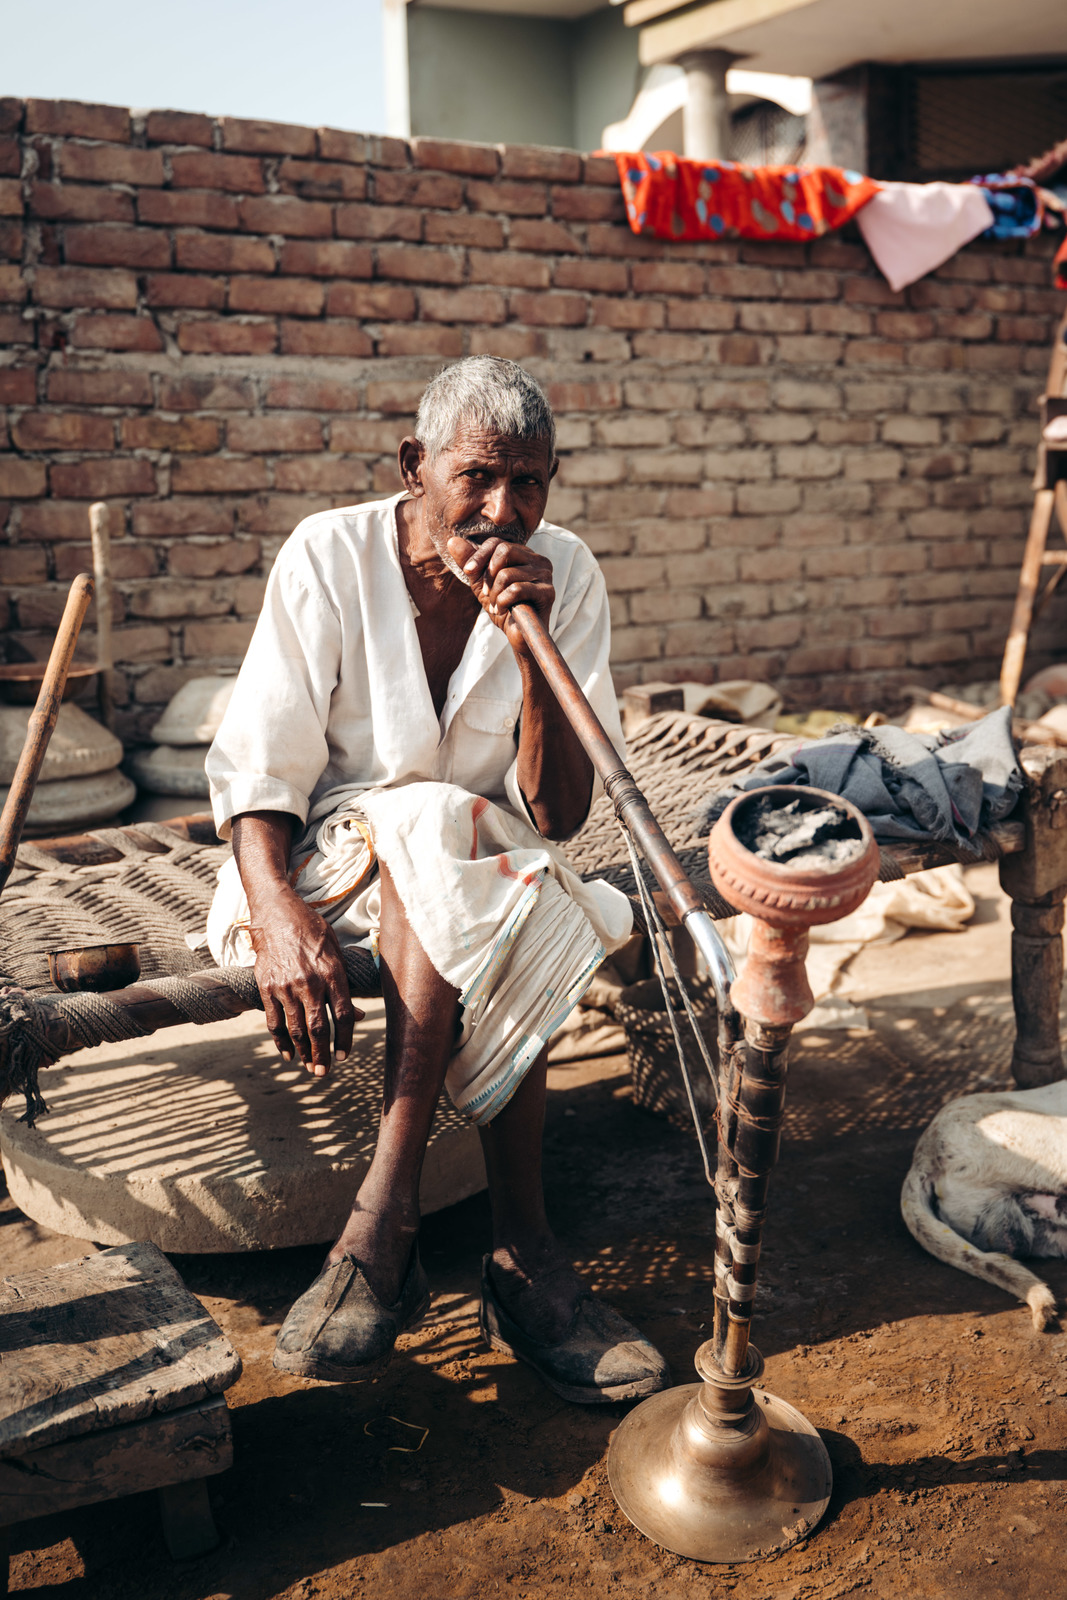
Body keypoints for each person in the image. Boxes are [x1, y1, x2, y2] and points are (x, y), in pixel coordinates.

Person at [205, 356, 670, 1402]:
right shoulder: (329, 555)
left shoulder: (566, 574)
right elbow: (257, 768)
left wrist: (530, 641)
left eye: (532, 483)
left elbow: (556, 812)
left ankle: (401, 1230)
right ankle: (505, 1250)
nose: (506, 510)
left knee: (508, 872)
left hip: (480, 859)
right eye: (478, 478)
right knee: (436, 828)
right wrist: (277, 913)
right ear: (412, 465)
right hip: (323, 857)